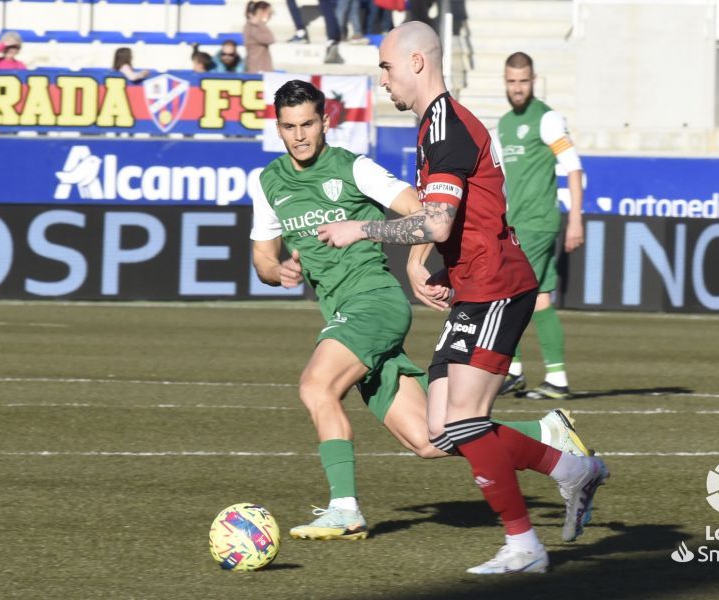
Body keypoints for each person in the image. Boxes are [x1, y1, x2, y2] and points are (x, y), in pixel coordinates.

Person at [317, 22, 608, 574]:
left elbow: (440, 221)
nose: (382, 81)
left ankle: (524, 546)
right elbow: (456, 222)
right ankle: (572, 470)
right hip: (475, 287)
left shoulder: (445, 127)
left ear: (418, 63)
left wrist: (363, 229)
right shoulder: (434, 124)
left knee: (467, 419)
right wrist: (437, 265)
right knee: (439, 427)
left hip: (498, 287)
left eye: (386, 67)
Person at [252, 79, 592, 543]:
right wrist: (278, 272)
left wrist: (415, 264)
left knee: (316, 386)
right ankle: (551, 439)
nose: (300, 135)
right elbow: (262, 258)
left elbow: (423, 210)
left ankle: (344, 509)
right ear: (278, 127)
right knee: (430, 441)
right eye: (290, 127)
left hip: (373, 302)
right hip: (341, 313)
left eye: (308, 123)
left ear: (325, 122)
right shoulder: (268, 182)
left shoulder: (354, 169)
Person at [492, 52, 584, 401]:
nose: (518, 88)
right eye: (512, 82)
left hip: (538, 222)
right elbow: (500, 178)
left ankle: (511, 371)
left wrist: (575, 218)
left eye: (524, 81)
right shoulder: (503, 124)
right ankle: (557, 378)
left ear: (534, 81)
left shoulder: (547, 120)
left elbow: (573, 168)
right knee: (540, 299)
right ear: (505, 82)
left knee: (504, 292)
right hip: (517, 222)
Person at [244, 1, 275, 73]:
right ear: (261, 12)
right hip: (257, 69)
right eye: (269, 13)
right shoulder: (252, 26)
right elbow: (270, 39)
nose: (270, 16)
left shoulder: (255, 25)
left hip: (261, 68)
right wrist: (260, 23)